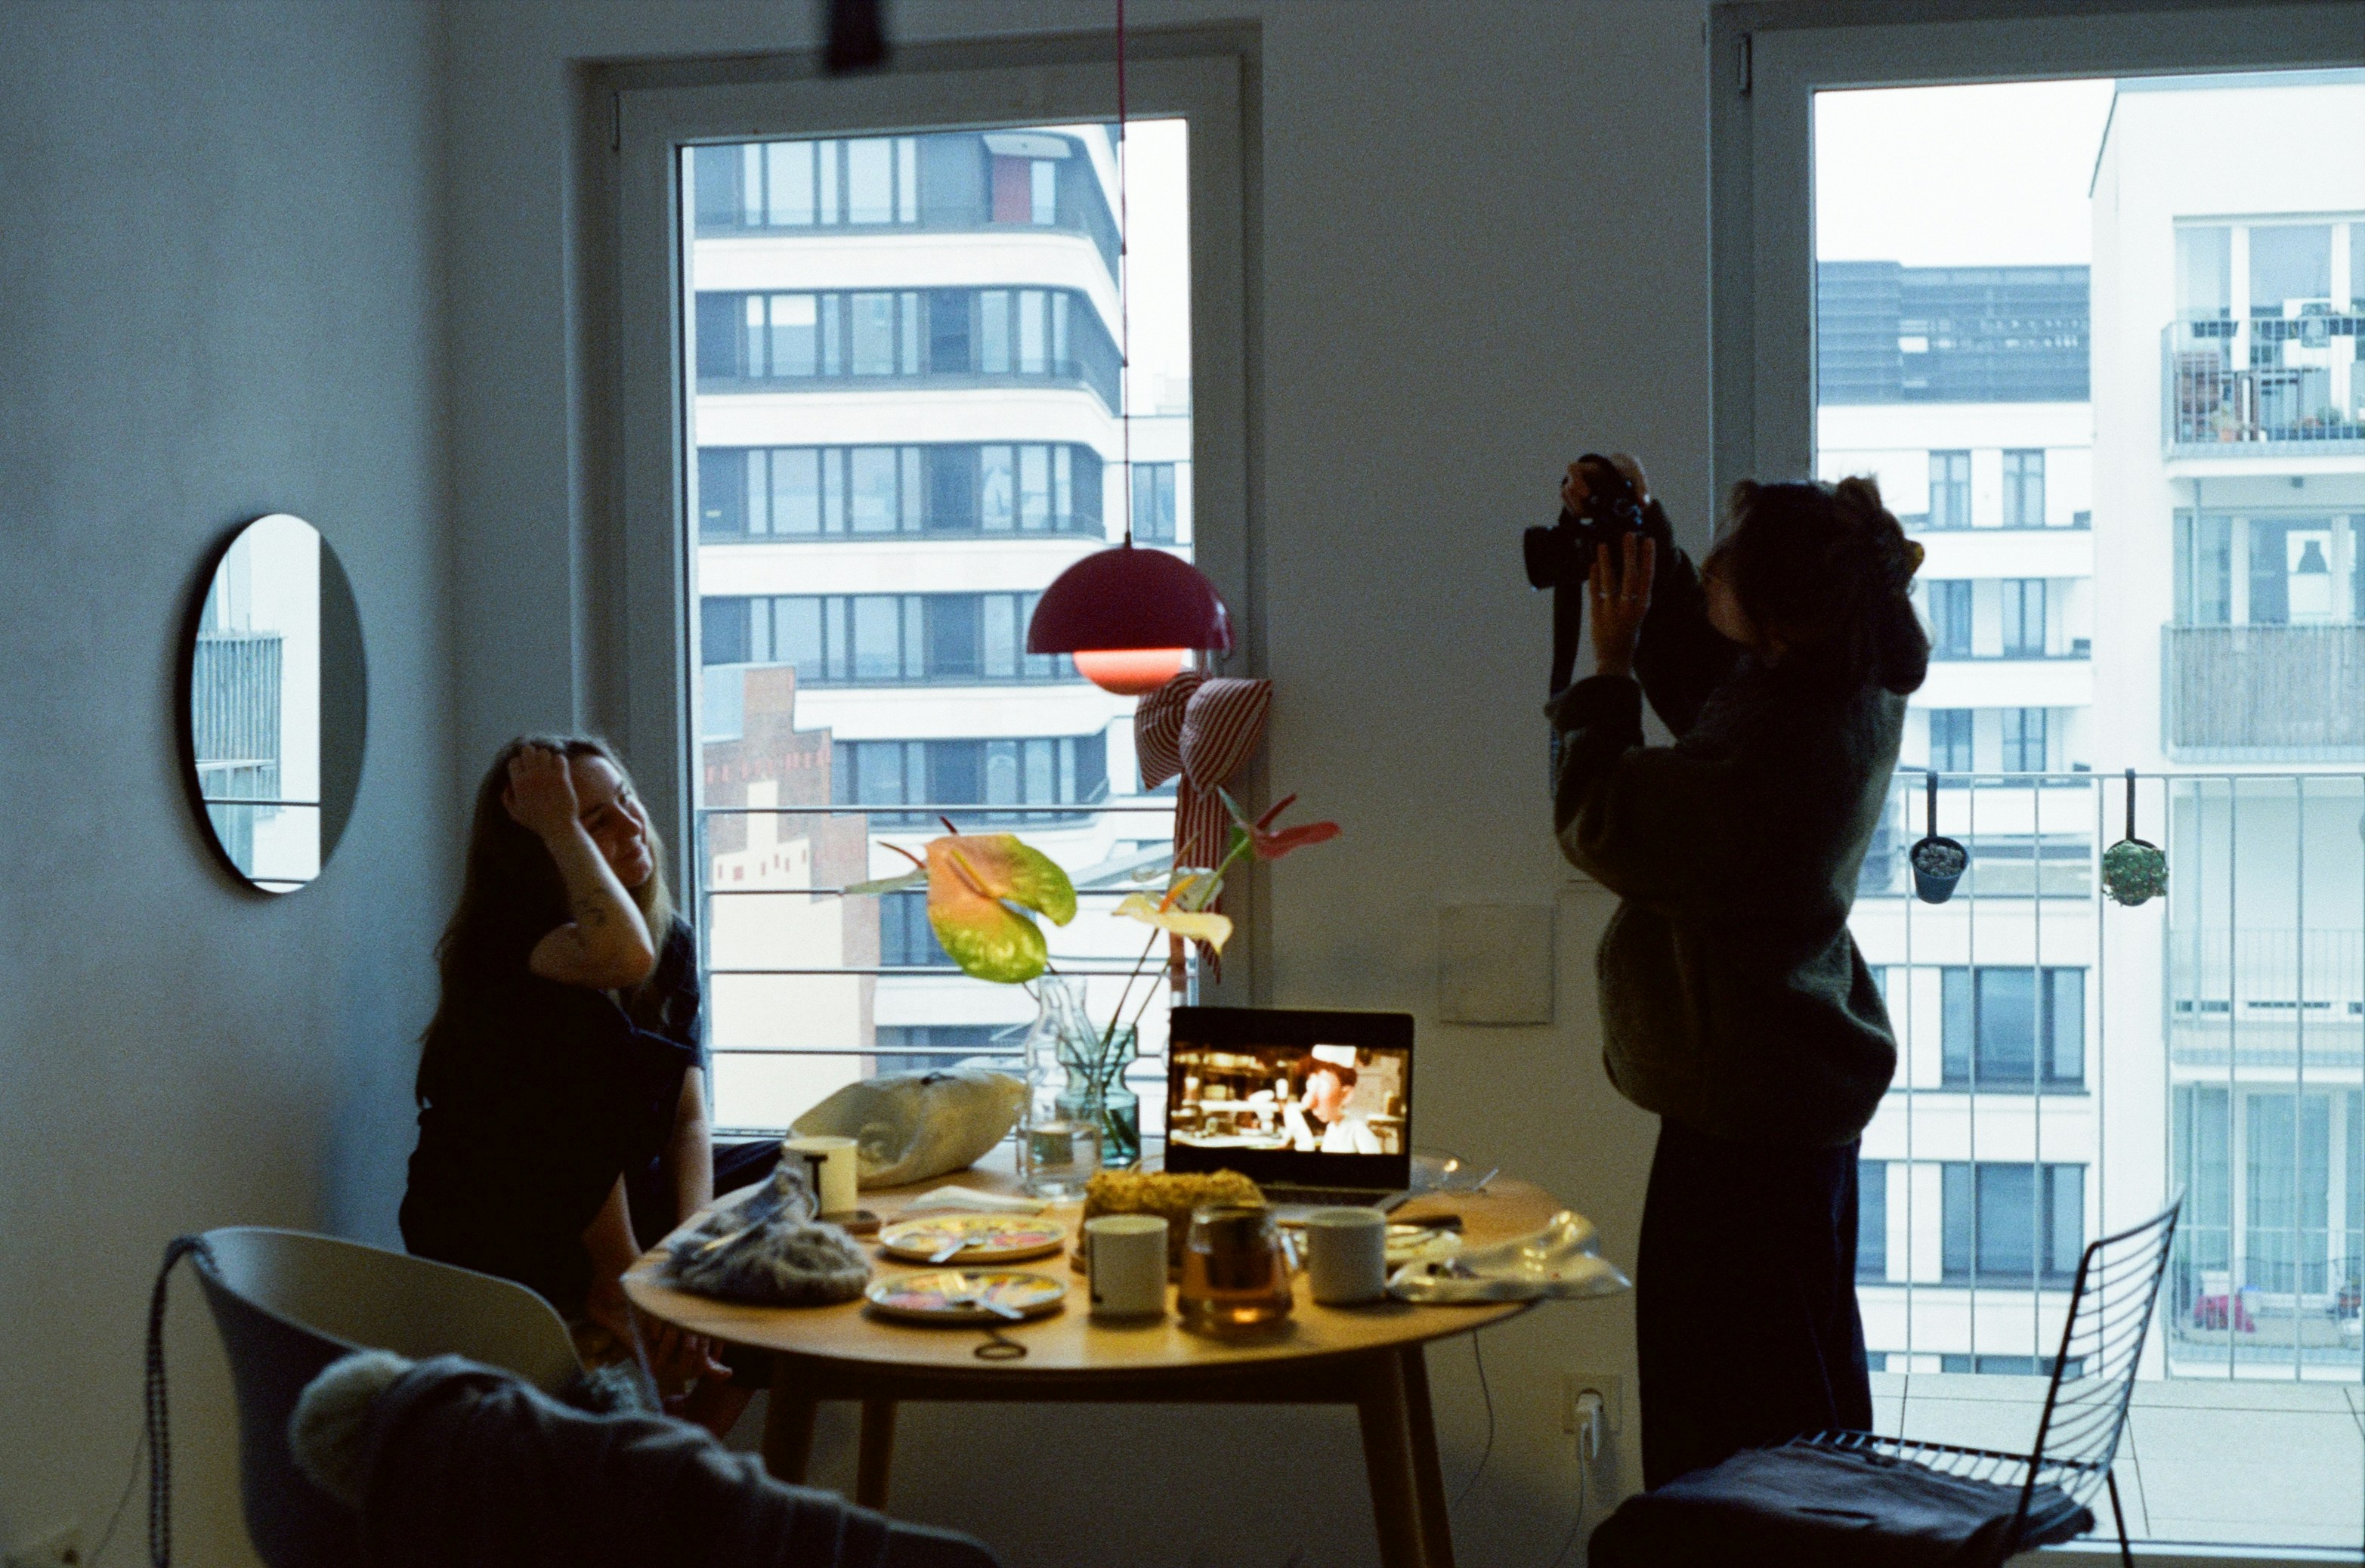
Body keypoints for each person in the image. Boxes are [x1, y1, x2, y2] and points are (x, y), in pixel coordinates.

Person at [1548, 459, 1928, 1490]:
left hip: (1739, 1117)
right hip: (1785, 1096)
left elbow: (1602, 817)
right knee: (1796, 1398)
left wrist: (1606, 668)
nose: (1708, 579)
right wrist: (1648, 543)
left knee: (1723, 1429)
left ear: (1774, 618)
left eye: (1719, 569)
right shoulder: (1838, 680)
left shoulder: (1778, 748)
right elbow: (1716, 687)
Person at [400, 736, 770, 1434]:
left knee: (800, 1182)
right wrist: (635, 1281)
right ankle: (615, 1297)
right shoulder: (508, 940)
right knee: (589, 1028)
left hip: (621, 1190)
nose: (631, 826)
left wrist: (689, 1254)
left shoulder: (673, 940)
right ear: (543, 841)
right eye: (594, 818)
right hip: (499, 1207)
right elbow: (616, 963)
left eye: (626, 801)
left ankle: (699, 1441)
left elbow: (688, 1119)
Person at [1282, 1047, 1383, 1154]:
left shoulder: (1358, 1130)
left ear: (1345, 1095)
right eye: (1310, 1085)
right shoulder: (1332, 1128)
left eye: (1321, 1086)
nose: (1310, 1103)